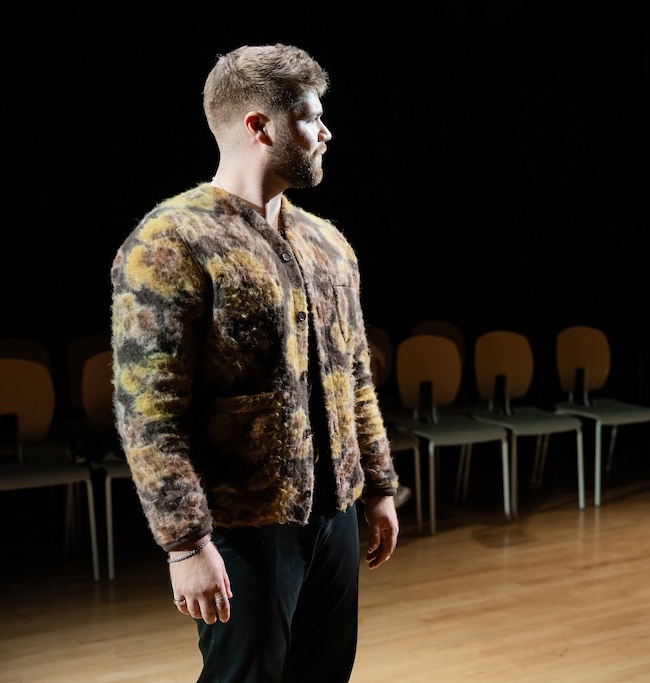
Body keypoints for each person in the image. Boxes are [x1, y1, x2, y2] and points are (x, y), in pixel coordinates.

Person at [110, 43, 400, 682]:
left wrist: (377, 488)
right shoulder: (173, 240)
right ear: (259, 126)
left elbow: (355, 378)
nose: (325, 132)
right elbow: (148, 412)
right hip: (241, 527)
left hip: (334, 514)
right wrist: (185, 543)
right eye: (308, 118)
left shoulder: (329, 245)